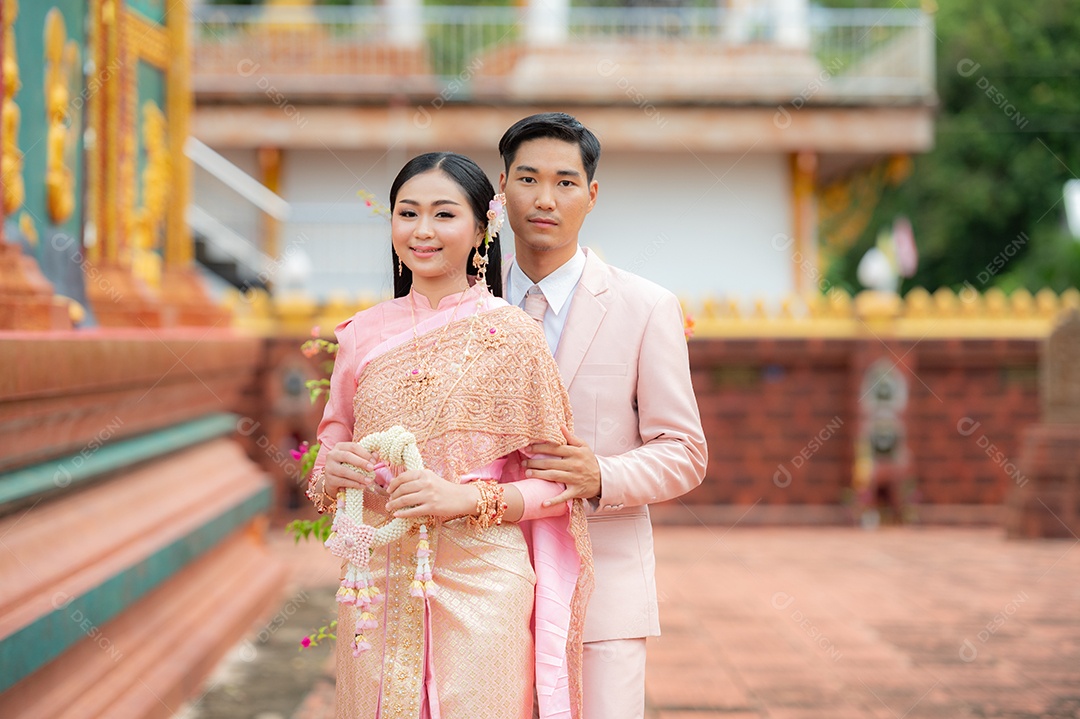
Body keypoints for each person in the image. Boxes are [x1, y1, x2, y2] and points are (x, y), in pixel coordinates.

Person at [306, 152, 593, 719]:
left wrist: (464, 499)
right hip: (378, 579)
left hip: (482, 578)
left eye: (443, 214)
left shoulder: (515, 336)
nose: (422, 231)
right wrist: (331, 472)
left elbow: (559, 486)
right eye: (407, 213)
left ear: (482, 228)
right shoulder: (362, 334)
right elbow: (330, 448)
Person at [498, 113, 708, 719]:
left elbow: (685, 451)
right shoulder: (466, 306)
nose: (545, 199)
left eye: (565, 182)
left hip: (603, 591)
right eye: (528, 179)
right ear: (502, 187)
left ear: (591, 195)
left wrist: (602, 476)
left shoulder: (646, 307)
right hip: (486, 588)